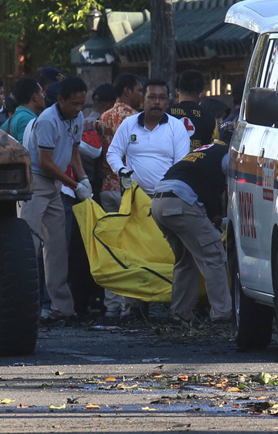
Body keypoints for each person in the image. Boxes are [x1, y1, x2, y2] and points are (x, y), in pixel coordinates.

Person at [105, 79, 190, 321]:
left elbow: (182, 163)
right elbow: (113, 152)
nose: (156, 102)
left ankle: (173, 306)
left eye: (161, 98)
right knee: (135, 253)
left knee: (169, 252)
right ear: (143, 100)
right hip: (135, 200)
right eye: (151, 97)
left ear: (169, 101)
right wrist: (122, 172)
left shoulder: (176, 128)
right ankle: (134, 308)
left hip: (166, 199)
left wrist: (168, 189)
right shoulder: (129, 124)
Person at [19, 77, 91, 325]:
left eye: (82, 103)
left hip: (55, 185)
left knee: (57, 248)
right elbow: (47, 163)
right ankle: (21, 306)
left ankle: (63, 309)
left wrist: (84, 178)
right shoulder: (48, 120)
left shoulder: (77, 117)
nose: (78, 108)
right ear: (60, 100)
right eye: (73, 104)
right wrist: (75, 185)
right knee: (27, 245)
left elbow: (73, 153)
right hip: (36, 182)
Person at [151, 124, 234, 326]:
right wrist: (218, 218)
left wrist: (214, 217)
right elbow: (218, 189)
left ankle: (181, 313)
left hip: (159, 202)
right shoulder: (229, 156)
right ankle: (222, 314)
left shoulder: (204, 150)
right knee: (213, 254)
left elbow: (202, 181)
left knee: (185, 259)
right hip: (181, 201)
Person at [96, 74, 143, 319]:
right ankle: (130, 306)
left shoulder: (102, 118)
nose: (142, 95)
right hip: (128, 190)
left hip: (107, 188)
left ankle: (111, 305)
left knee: (111, 249)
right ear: (127, 91)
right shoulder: (135, 119)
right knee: (132, 248)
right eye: (139, 89)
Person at [169, 70, 215, 150]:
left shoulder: (165, 114)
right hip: (199, 162)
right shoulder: (210, 119)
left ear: (177, 91)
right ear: (201, 94)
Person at [1, 78, 45, 143]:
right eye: (41, 92)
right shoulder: (28, 119)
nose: (43, 96)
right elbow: (26, 150)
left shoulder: (7, 122)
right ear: (35, 96)